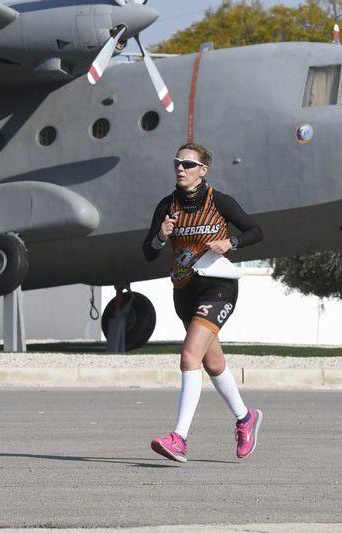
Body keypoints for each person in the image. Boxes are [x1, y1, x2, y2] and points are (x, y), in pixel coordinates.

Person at [142, 142, 263, 463]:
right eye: (177, 163)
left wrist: (231, 242)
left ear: (202, 170)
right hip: (184, 290)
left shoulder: (219, 201)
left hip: (219, 288)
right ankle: (245, 417)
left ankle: (179, 437)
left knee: (189, 355)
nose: (180, 168)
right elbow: (148, 251)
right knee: (212, 363)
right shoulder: (167, 206)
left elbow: (255, 231)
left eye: (188, 164)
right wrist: (160, 236)